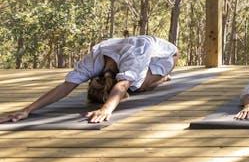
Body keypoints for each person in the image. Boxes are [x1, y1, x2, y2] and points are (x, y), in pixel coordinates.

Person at [0, 35, 178, 124]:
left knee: (138, 85)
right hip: (144, 51)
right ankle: (158, 79)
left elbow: (122, 85)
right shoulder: (96, 62)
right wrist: (27, 110)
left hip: (168, 55)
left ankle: (159, 79)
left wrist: (106, 109)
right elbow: (65, 87)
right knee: (134, 82)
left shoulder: (107, 61)